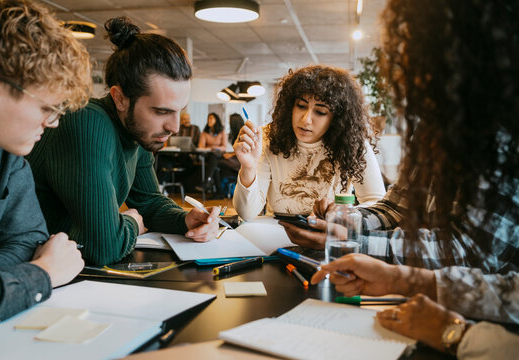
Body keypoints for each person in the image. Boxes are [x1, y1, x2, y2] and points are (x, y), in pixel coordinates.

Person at [309, 0, 519, 357]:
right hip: (445, 309)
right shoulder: (433, 130)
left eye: (416, 56)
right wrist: (345, 222)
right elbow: (396, 204)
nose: (403, 76)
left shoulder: (501, 136)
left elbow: (472, 251)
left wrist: (353, 247)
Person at [27, 17, 220, 266]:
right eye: (161, 112)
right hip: (31, 270)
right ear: (120, 98)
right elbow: (103, 247)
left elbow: (148, 201)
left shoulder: (136, 133)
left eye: (179, 110)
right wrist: (131, 224)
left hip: (69, 268)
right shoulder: (86, 122)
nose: (174, 126)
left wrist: (184, 219)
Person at [0, 0, 90, 330]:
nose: (52, 123)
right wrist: (41, 274)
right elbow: (38, 261)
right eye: (47, 108)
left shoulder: (6, 156)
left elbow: (27, 241)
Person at [233, 65, 386, 221]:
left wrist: (342, 215)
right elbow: (246, 214)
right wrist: (248, 168)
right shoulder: (268, 137)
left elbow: (377, 205)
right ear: (290, 106)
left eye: (320, 112)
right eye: (301, 106)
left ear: (337, 118)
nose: (306, 120)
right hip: (278, 231)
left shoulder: (353, 143)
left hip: (328, 232)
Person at [197, 112, 228, 196]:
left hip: (219, 154)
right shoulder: (204, 133)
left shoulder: (222, 132)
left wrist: (214, 148)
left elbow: (224, 147)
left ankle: (207, 181)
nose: (209, 120)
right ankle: (219, 192)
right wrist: (211, 149)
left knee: (214, 156)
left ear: (216, 120)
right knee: (214, 166)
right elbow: (201, 146)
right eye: (208, 118)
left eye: (211, 118)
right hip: (209, 155)